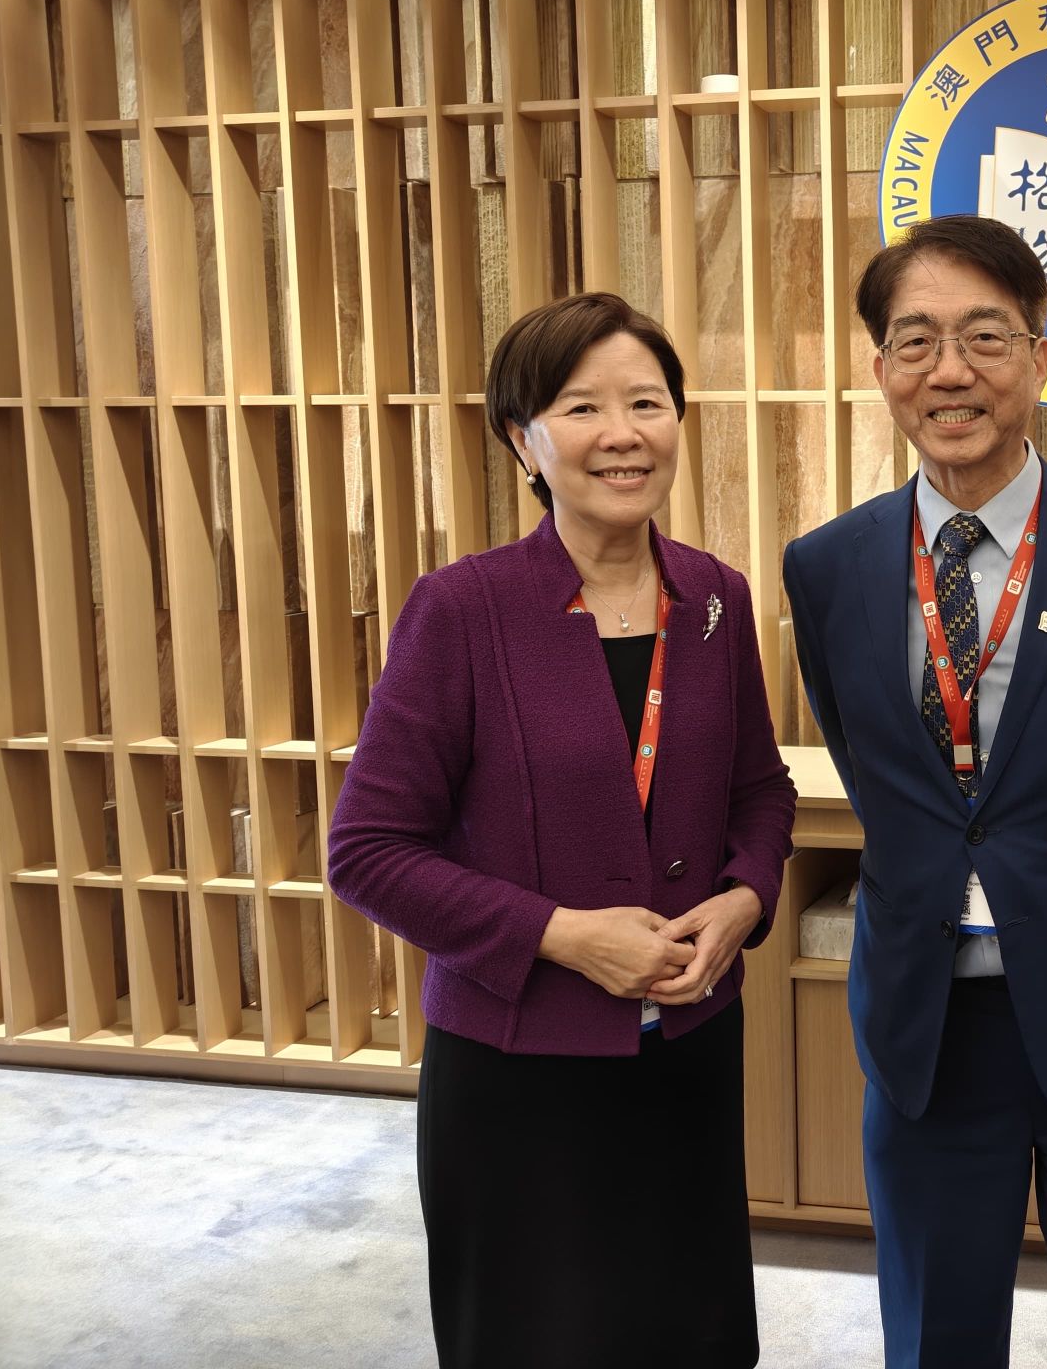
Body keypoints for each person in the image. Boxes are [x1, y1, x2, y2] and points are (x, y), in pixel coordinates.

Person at [781, 215, 1047, 1369]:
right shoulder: (824, 568)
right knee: (935, 1338)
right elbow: (881, 770)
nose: (950, 371)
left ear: (1039, 357)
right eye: (915, 340)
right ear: (879, 366)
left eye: (985, 336)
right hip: (926, 1028)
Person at [326, 292, 796, 1368]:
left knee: (690, 1337)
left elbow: (759, 792)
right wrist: (564, 935)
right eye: (582, 408)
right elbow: (368, 851)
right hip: (516, 1072)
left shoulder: (714, 600)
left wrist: (743, 899)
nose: (622, 434)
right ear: (522, 439)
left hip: (687, 1051)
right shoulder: (462, 610)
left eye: (647, 403)